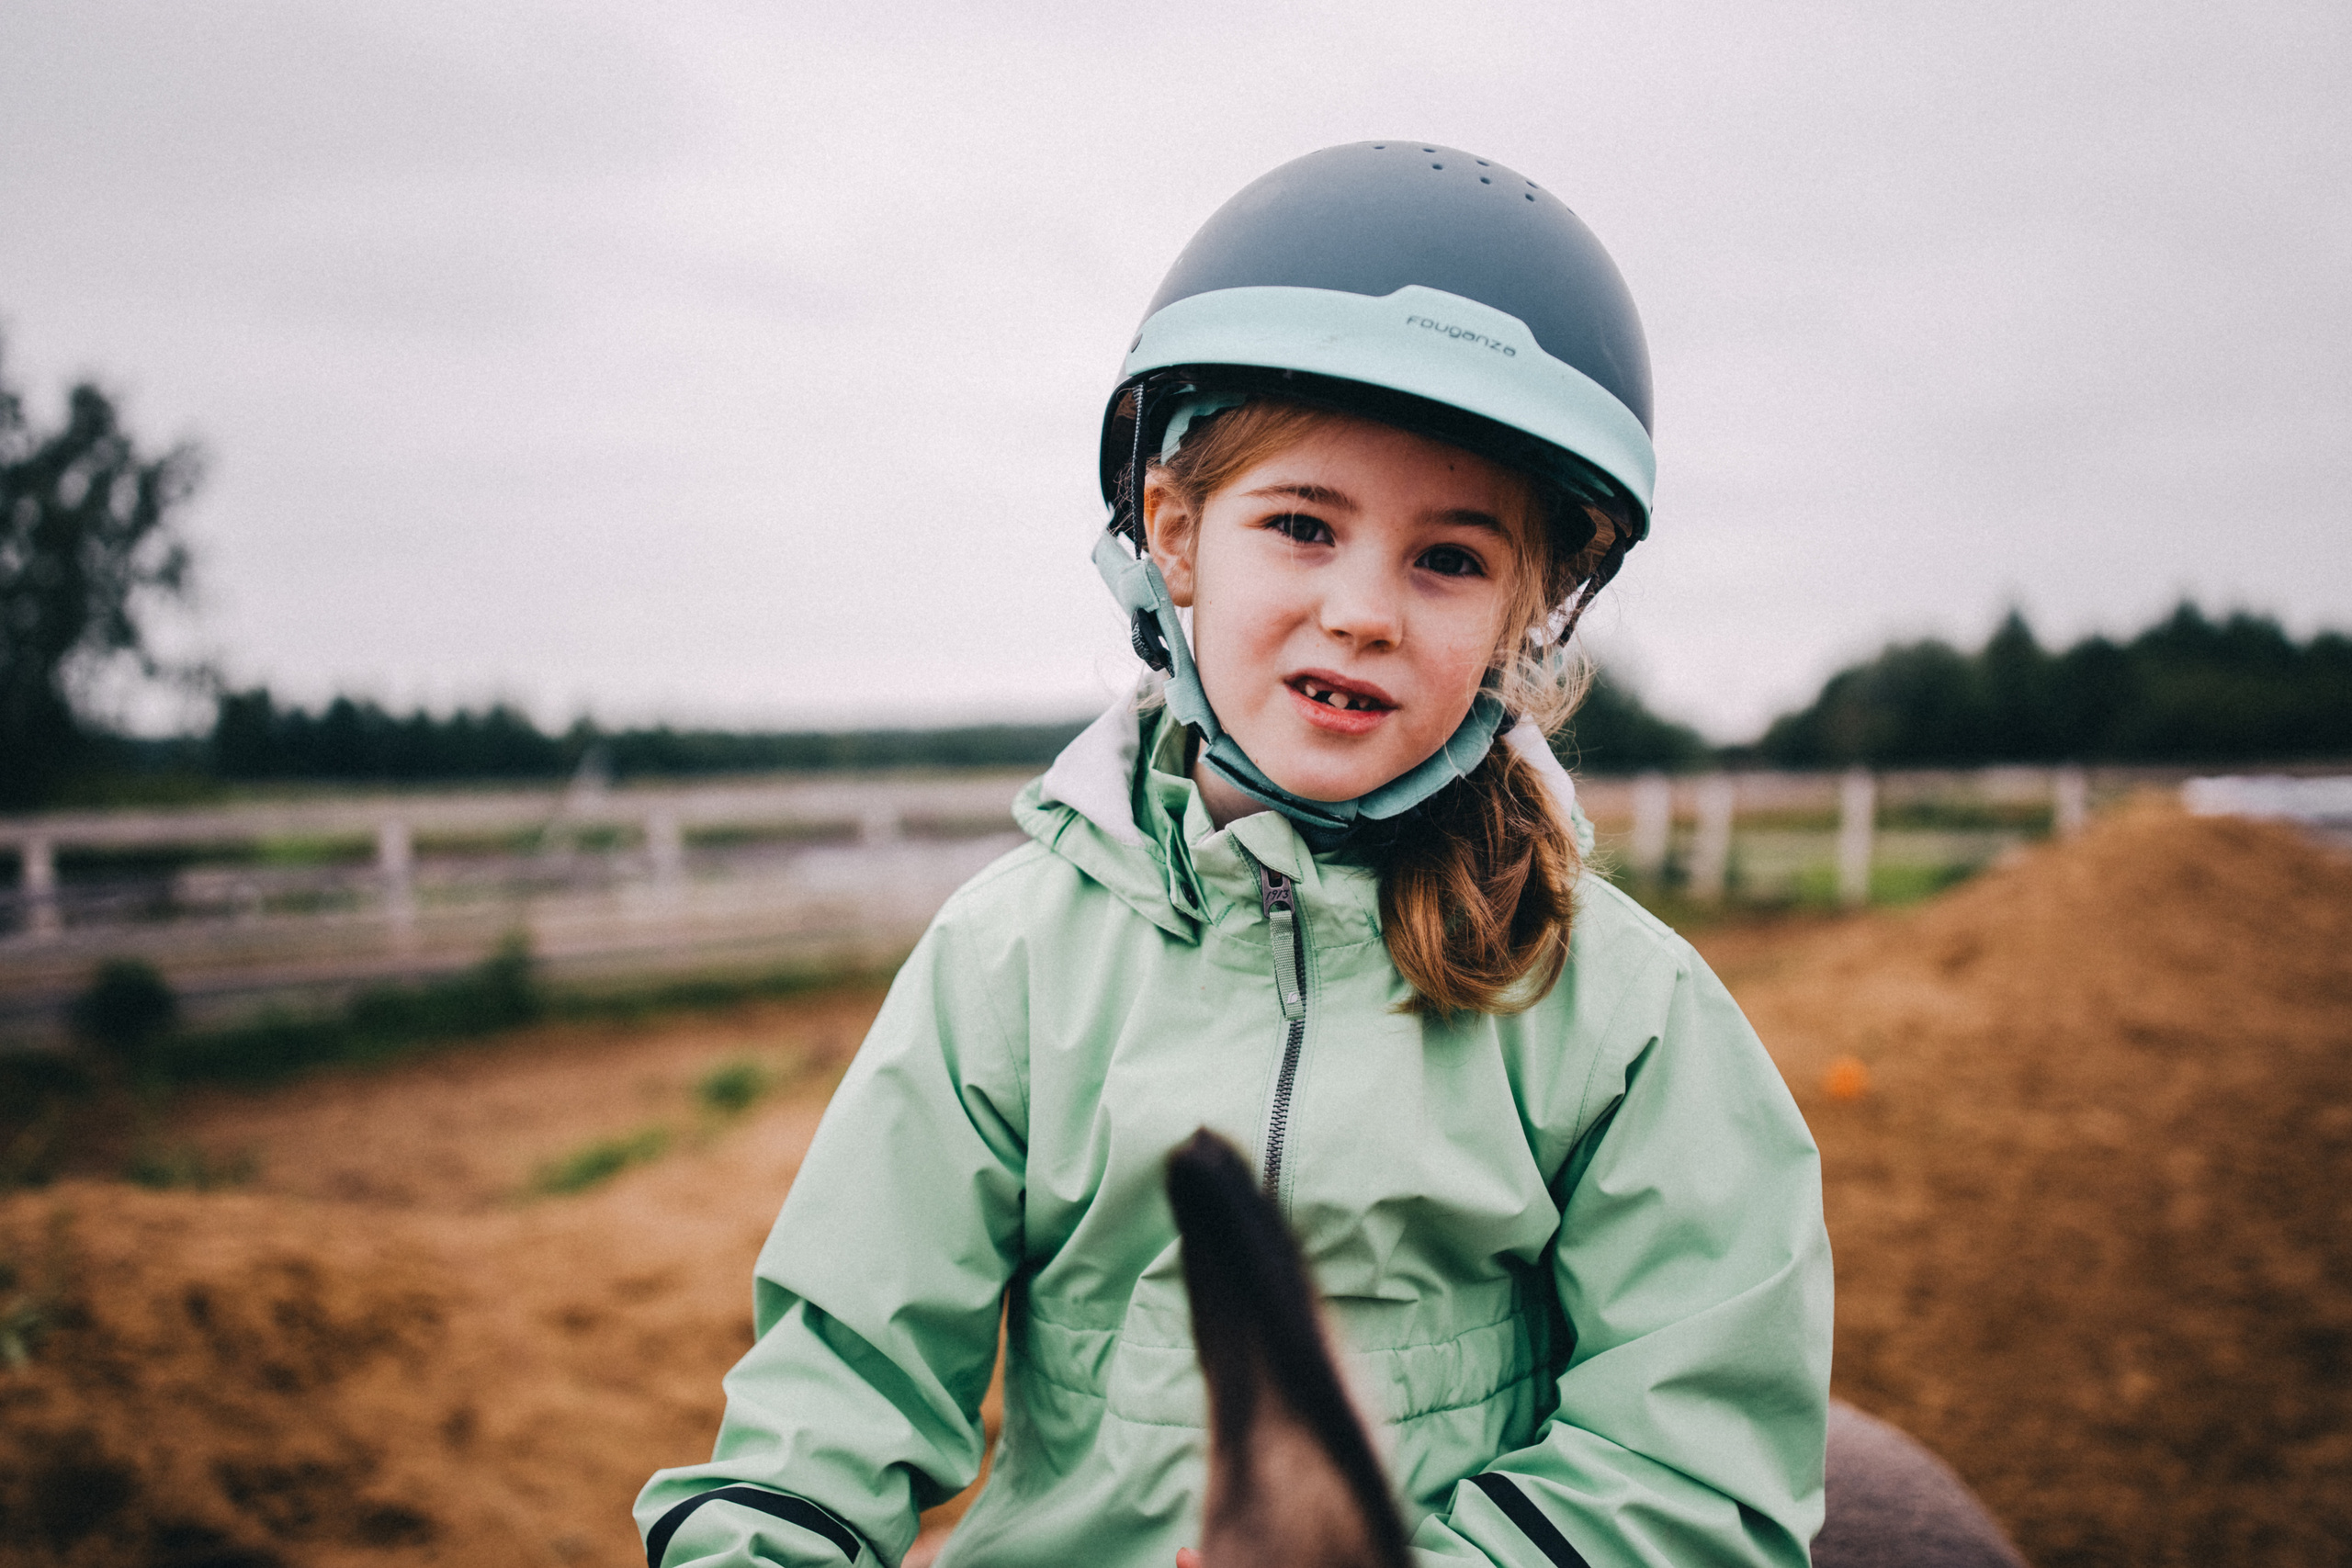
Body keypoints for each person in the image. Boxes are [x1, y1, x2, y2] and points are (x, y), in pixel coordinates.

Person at [637, 142, 1833, 1568]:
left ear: (1531, 606)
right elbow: (838, 1385)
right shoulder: (1007, 962)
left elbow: (1692, 1463)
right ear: (1175, 534)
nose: (1362, 612)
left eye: (1448, 558)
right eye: (1302, 527)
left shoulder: (1624, 1014)